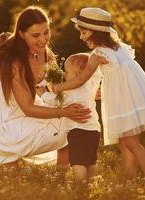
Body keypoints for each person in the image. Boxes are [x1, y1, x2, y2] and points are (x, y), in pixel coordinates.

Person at [52, 8, 145, 178]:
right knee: (125, 143)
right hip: (130, 95)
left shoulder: (97, 54)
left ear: (95, 32)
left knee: (132, 142)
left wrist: (58, 88)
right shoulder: (118, 47)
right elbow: (118, 73)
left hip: (124, 99)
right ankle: (130, 177)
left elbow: (81, 79)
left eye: (84, 32)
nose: (81, 37)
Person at [0, 6, 91, 167]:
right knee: (11, 180)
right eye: (36, 35)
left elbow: (58, 88)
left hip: (34, 110)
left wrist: (87, 92)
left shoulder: (44, 53)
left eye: (46, 32)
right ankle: (11, 158)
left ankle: (61, 176)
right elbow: (27, 108)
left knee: (74, 123)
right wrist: (63, 112)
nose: (43, 39)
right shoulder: (15, 63)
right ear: (21, 34)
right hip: (8, 121)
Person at [39, 53, 102, 182]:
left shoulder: (71, 92)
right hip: (94, 130)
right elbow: (96, 74)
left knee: (78, 162)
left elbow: (56, 101)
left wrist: (43, 94)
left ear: (79, 75)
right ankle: (93, 183)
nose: (64, 74)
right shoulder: (91, 85)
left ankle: (80, 185)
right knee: (91, 160)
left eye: (67, 71)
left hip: (77, 131)